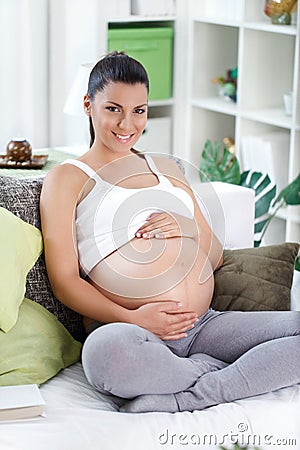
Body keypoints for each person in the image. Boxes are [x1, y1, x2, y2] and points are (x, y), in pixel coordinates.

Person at [40, 51, 300, 413]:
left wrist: (188, 228)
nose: (127, 124)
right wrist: (133, 317)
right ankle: (233, 372)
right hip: (131, 331)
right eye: (113, 108)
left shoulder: (166, 168)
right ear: (88, 104)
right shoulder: (67, 178)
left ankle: (200, 390)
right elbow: (65, 281)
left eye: (139, 111)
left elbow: (215, 257)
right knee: (106, 359)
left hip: (203, 326)